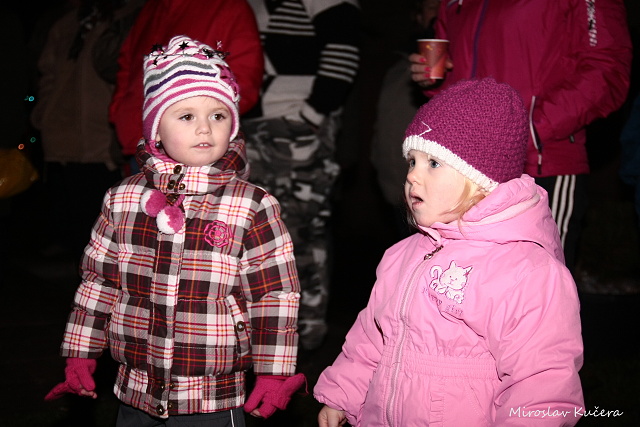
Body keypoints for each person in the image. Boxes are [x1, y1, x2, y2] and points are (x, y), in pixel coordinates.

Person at [44, 36, 304, 425]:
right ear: (156, 130)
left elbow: (275, 295)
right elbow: (99, 281)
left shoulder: (252, 205)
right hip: (135, 387)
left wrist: (274, 371)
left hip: (212, 395)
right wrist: (81, 351)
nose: (205, 128)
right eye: (186, 116)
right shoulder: (122, 199)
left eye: (218, 116)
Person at [314, 78, 584, 426]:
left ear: (481, 179)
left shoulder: (527, 272)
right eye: (412, 162)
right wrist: (341, 394)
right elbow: (371, 338)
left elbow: (542, 383)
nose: (413, 176)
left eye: (433, 163)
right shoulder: (403, 255)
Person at [408, 0, 633, 274]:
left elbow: (607, 68)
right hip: (461, 173)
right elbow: (456, 70)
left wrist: (530, 130)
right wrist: (435, 80)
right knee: (455, 282)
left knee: (537, 282)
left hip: (540, 164)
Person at [243, 0, 361, 350]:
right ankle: (265, 334)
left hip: (296, 125)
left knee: (300, 232)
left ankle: (303, 339)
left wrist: (310, 116)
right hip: (252, 124)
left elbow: (343, 51)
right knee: (258, 235)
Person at [30, 0, 144, 260]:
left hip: (105, 140)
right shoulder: (68, 23)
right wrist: (44, 112)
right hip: (64, 135)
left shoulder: (130, 15)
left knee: (110, 224)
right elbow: (47, 71)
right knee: (77, 219)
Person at [109, 0, 264, 174]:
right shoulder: (151, 8)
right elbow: (128, 64)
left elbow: (246, 77)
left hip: (195, 151)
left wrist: (204, 115)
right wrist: (119, 113)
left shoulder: (229, 6)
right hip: (138, 142)